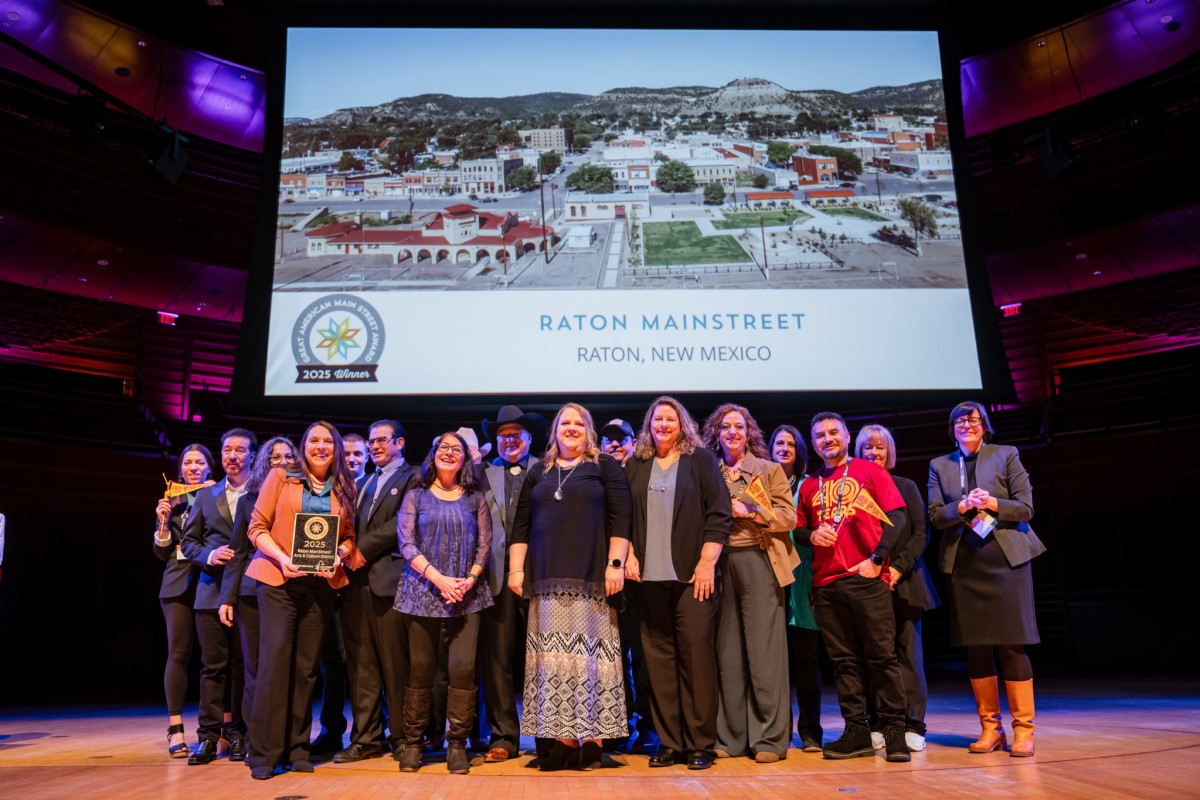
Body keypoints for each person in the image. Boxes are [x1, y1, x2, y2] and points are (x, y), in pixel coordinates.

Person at [509, 402, 632, 771]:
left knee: (592, 661)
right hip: (546, 580)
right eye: (566, 422)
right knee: (555, 663)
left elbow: (621, 517)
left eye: (580, 423)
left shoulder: (603, 466)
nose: (572, 428)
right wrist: (516, 571)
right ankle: (563, 739)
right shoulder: (539, 471)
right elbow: (521, 525)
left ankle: (592, 741)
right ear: (555, 430)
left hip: (592, 579)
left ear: (589, 430)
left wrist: (616, 564)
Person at [928, 402, 1044, 758]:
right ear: (953, 428)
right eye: (960, 420)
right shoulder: (940, 466)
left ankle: (1024, 731)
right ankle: (990, 728)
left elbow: (1025, 507)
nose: (967, 424)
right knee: (976, 647)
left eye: (973, 419)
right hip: (965, 565)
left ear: (985, 425)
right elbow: (935, 515)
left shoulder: (1006, 454)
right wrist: (960, 508)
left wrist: (993, 501)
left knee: (1012, 645)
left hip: (1007, 562)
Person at [245, 420, 359, 780]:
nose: (321, 446)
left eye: (328, 441)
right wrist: (282, 558)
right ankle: (264, 752)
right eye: (314, 440)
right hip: (279, 582)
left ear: (336, 448)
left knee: (307, 668)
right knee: (276, 663)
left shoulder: (344, 485)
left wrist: (339, 554)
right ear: (303, 445)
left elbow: (350, 537)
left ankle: (297, 748)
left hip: (322, 586)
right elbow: (256, 527)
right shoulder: (281, 477)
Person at [795, 412, 910, 763]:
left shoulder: (870, 471)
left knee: (882, 657)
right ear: (813, 443)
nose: (826, 439)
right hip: (827, 584)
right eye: (819, 435)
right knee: (843, 662)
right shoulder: (809, 484)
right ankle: (856, 731)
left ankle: (894, 732)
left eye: (833, 433)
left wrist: (876, 560)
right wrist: (812, 534)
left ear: (847, 436)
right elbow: (800, 530)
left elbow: (899, 517)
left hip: (865, 579)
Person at [624, 396, 731, 771]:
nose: (664, 425)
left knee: (697, 659)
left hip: (692, 578)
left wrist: (707, 562)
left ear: (682, 424)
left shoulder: (699, 460)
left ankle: (700, 743)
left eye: (670, 418)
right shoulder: (636, 463)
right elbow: (623, 516)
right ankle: (670, 742)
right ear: (649, 425)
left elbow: (720, 512)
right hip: (647, 579)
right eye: (658, 419)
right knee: (658, 661)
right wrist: (629, 555)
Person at [394, 432, 493, 774]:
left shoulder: (475, 498)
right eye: (444, 448)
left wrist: (470, 579)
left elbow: (485, 545)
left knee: (463, 670)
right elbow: (406, 545)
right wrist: (438, 579)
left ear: (466, 459)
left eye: (457, 449)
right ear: (433, 454)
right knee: (421, 670)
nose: (450, 453)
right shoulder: (415, 495)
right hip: (421, 592)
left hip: (468, 595)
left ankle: (457, 746)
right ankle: (412, 744)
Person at [704, 404, 797, 764]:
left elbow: (788, 517)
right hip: (717, 564)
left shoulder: (768, 469)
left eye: (738, 426)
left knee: (764, 654)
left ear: (749, 432)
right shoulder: (708, 470)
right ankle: (731, 736)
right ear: (716, 432)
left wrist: (752, 511)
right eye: (725, 426)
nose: (732, 432)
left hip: (759, 560)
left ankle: (770, 739)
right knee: (727, 654)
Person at [335, 419, 419, 764]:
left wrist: (359, 551)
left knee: (396, 664)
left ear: (399, 442)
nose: (374, 446)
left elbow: (400, 522)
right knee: (361, 664)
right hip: (356, 585)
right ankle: (366, 737)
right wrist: (340, 547)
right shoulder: (363, 480)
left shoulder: (414, 476)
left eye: (381, 440)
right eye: (371, 441)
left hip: (391, 581)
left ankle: (402, 737)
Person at [855, 423, 941, 752]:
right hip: (867, 585)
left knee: (909, 656)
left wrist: (895, 569)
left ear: (889, 452)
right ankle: (879, 722)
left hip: (906, 583)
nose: (874, 453)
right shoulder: (854, 491)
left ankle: (913, 724)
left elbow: (921, 534)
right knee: (874, 656)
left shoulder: (906, 486)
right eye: (867, 448)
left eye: (880, 448)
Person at [217, 436, 296, 765]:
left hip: (288, 589)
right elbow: (237, 552)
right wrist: (227, 597)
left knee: (282, 667)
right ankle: (254, 738)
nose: (282, 461)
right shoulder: (250, 499)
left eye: (288, 456)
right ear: (266, 461)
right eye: (275, 456)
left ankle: (284, 738)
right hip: (250, 592)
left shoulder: (305, 497)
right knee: (254, 670)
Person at [180, 428, 257, 765]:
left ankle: (238, 733)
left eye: (240, 450)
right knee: (213, 668)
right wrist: (209, 556)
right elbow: (188, 543)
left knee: (243, 667)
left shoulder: (261, 492)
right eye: (227, 450)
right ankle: (208, 738)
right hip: (210, 591)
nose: (233, 456)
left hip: (248, 592)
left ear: (253, 455)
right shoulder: (206, 495)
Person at [477, 405, 544, 762]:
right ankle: (503, 735)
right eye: (503, 436)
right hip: (496, 578)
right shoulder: (481, 474)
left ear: (530, 438)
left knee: (546, 658)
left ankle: (551, 736)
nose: (510, 441)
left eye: (516, 434)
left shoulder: (548, 471)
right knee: (497, 659)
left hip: (541, 575)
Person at [600, 417, 658, 754]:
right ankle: (617, 724)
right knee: (614, 656)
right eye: (609, 441)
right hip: (608, 579)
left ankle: (649, 724)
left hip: (642, 577)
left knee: (645, 654)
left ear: (633, 442)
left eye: (621, 439)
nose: (615, 445)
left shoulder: (644, 471)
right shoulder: (598, 474)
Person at [153, 443, 213, 758]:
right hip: (177, 584)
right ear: (181, 469)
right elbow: (162, 552)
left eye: (199, 461)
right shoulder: (171, 501)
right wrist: (162, 524)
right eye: (187, 462)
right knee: (178, 653)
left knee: (215, 658)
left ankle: (218, 729)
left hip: (211, 581)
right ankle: (175, 728)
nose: (192, 466)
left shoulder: (218, 495)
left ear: (208, 467)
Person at [769, 424, 823, 754]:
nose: (785, 448)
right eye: (779, 442)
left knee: (806, 662)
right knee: (774, 663)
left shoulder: (810, 485)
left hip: (805, 582)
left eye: (791, 443)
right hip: (771, 579)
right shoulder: (761, 483)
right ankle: (779, 729)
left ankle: (812, 732)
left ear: (799, 451)